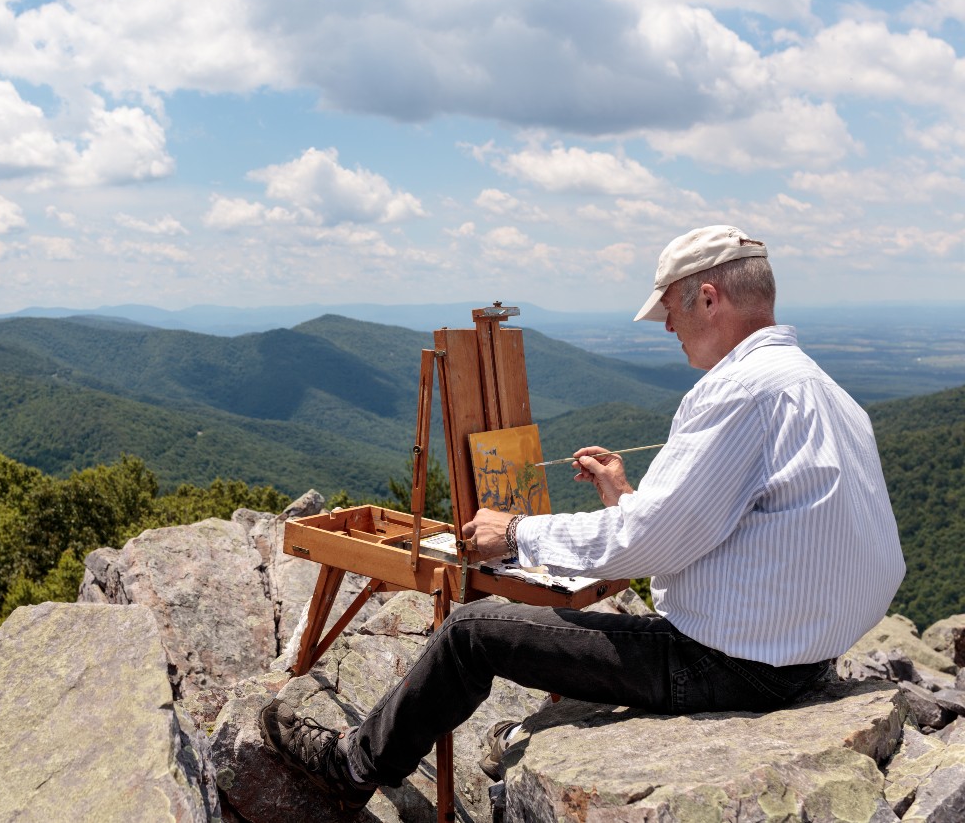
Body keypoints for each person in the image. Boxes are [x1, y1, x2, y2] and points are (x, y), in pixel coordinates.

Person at [260, 225, 906, 812]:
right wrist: (625, 498)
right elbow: (726, 532)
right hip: (806, 658)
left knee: (471, 633)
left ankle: (352, 765)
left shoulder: (741, 391)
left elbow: (649, 543)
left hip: (730, 667)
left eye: (670, 309)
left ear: (709, 299)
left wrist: (514, 532)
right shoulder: (826, 392)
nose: (665, 328)